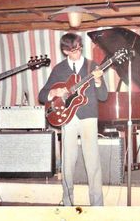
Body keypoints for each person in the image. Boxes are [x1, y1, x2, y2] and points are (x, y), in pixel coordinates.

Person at [39, 33, 108, 206]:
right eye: (73, 50)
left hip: (88, 117)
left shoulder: (93, 65)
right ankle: (67, 203)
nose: (78, 52)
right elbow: (42, 95)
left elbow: (103, 96)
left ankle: (97, 206)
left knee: (93, 164)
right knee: (68, 164)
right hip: (67, 118)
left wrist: (98, 81)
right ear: (65, 51)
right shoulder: (59, 69)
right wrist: (54, 92)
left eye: (79, 48)